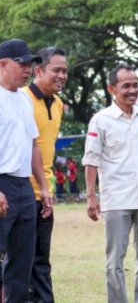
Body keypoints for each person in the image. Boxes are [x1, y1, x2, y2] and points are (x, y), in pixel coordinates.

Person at [82, 64, 138, 303]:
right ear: (111, 88)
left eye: (135, 85)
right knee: (114, 261)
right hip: (116, 199)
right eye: (126, 86)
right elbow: (91, 160)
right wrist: (91, 196)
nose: (132, 90)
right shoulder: (100, 120)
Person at [0, 38, 53, 302]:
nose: (28, 70)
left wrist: (43, 187)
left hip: (23, 186)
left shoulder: (23, 99)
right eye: (22, 64)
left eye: (30, 64)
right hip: (2, 184)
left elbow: (34, 145)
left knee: (22, 263)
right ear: (3, 64)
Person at [22, 46, 68, 303]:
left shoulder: (59, 104)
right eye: (56, 70)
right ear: (38, 70)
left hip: (44, 192)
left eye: (65, 71)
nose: (61, 75)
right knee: (20, 260)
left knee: (41, 258)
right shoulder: (21, 99)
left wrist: (46, 189)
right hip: (20, 190)